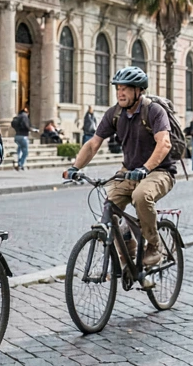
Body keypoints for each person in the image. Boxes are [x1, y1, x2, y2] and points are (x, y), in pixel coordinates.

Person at [63, 66, 176, 269]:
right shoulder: (114, 114)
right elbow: (93, 144)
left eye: (126, 88)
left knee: (141, 196)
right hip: (129, 171)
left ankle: (153, 245)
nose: (121, 93)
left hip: (159, 171)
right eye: (118, 88)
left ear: (138, 91)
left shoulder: (154, 111)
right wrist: (74, 167)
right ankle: (129, 247)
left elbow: (164, 143)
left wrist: (145, 168)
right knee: (110, 206)